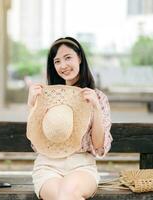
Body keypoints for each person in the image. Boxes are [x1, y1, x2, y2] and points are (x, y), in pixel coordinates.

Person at [27, 37, 113, 200]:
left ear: (79, 58)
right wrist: (31, 105)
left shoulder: (98, 97)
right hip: (47, 167)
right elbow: (36, 143)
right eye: (57, 61)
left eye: (68, 58)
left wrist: (95, 107)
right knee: (64, 196)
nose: (63, 65)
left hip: (82, 166)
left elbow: (99, 145)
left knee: (67, 194)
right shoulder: (46, 97)